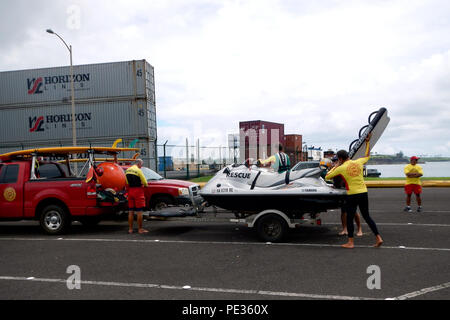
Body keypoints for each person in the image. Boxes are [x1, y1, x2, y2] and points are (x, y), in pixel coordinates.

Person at [325, 134, 383, 248]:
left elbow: (327, 176)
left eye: (338, 159)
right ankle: (378, 238)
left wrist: (336, 165)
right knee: (367, 216)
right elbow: (367, 156)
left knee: (350, 218)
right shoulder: (358, 162)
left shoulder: (341, 167)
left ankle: (351, 242)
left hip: (352, 194)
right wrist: (367, 142)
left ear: (340, 159)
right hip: (363, 192)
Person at [330, 156, 363, 237]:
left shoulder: (343, 168)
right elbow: (334, 180)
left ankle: (359, 229)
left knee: (354, 211)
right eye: (333, 161)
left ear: (340, 161)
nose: (334, 163)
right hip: (342, 192)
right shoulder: (335, 169)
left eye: (336, 161)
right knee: (343, 211)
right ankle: (345, 229)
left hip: (350, 191)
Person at [125, 159, 149, 234]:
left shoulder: (127, 170)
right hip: (138, 192)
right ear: (139, 164)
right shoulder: (138, 170)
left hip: (130, 191)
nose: (141, 167)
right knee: (139, 211)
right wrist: (145, 185)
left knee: (131, 211)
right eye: (141, 165)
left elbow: (126, 182)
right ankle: (140, 229)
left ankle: (130, 229)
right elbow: (145, 182)